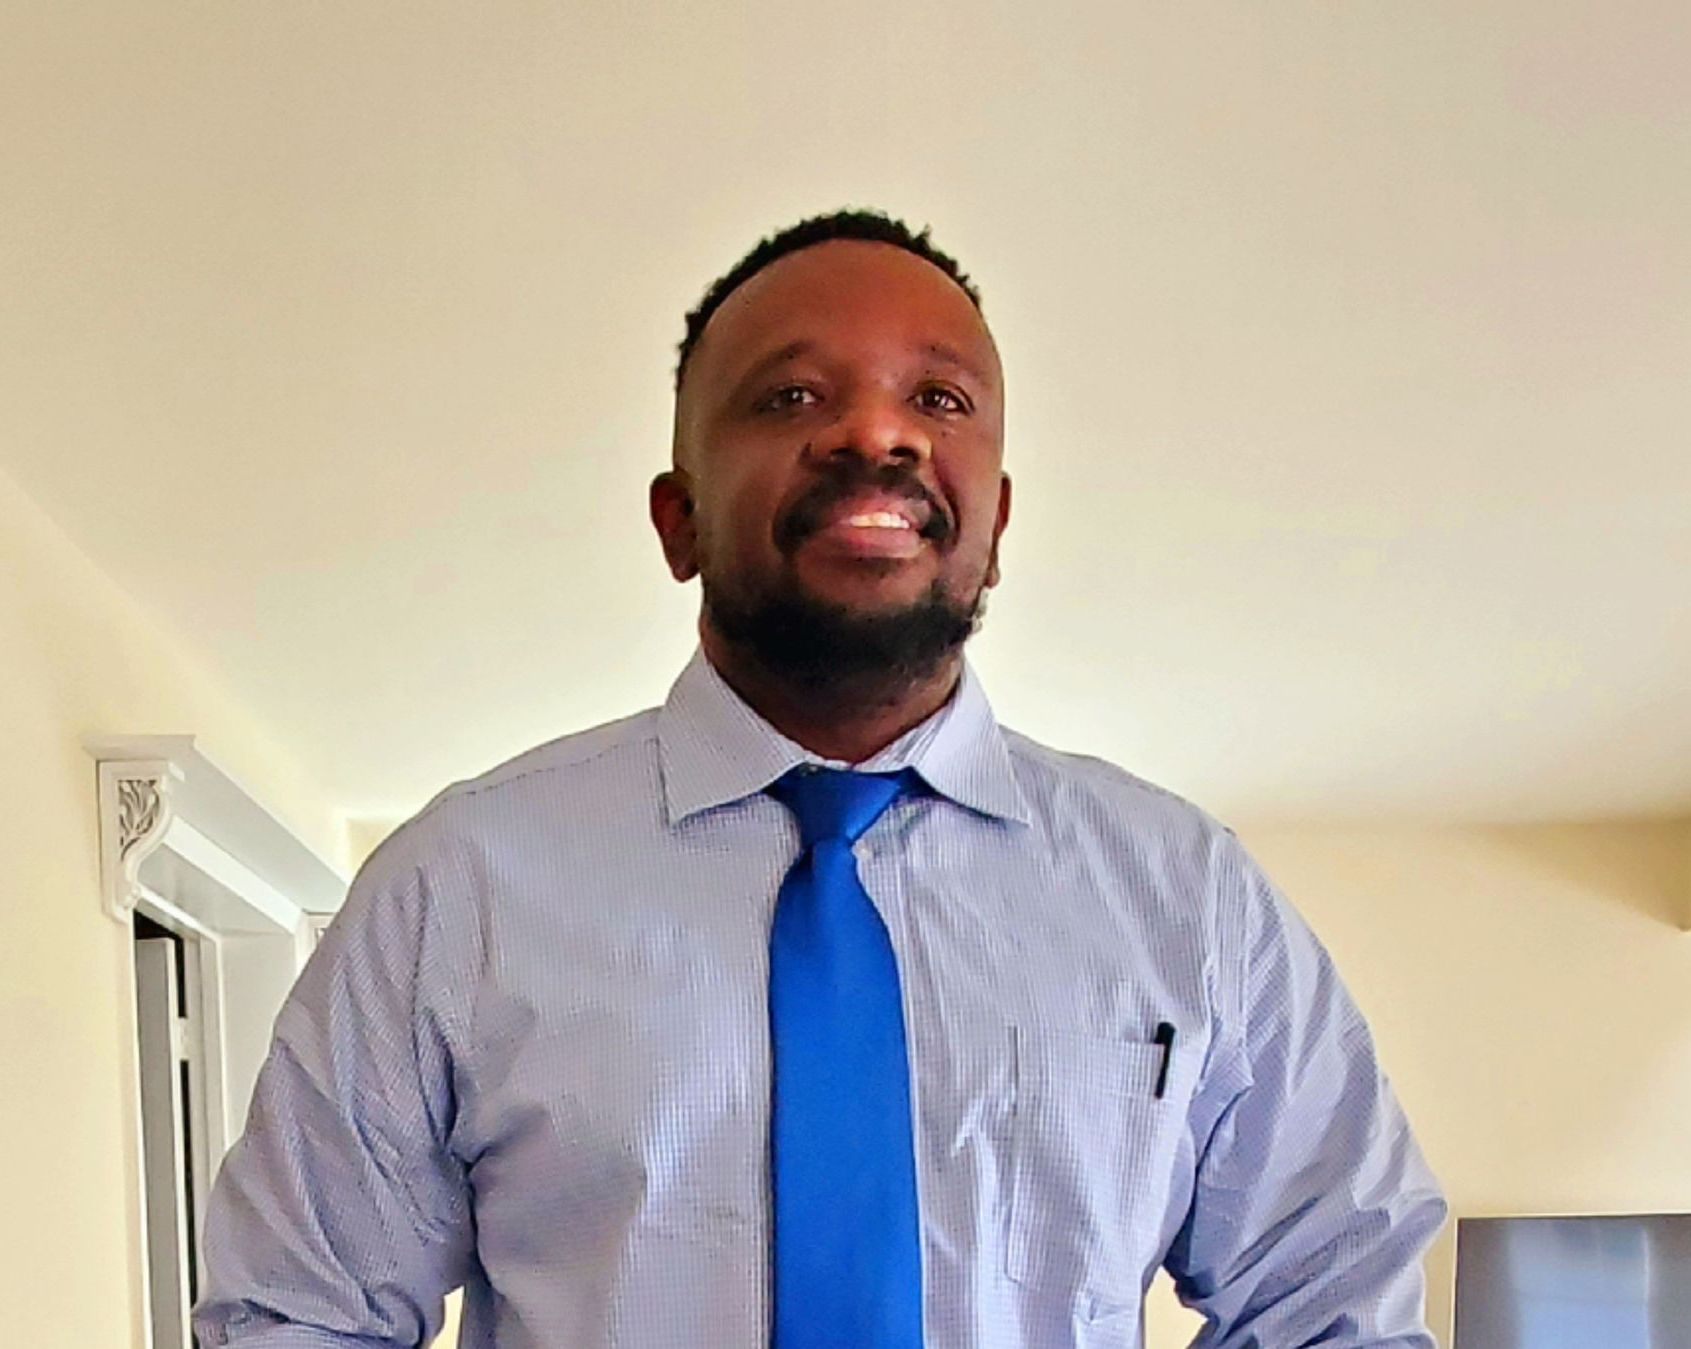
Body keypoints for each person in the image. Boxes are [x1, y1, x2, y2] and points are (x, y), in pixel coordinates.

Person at [193, 209, 1448, 1348]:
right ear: (677, 517)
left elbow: (1334, 1298)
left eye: (939, 399)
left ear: (995, 522)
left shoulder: (1191, 900)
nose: (873, 431)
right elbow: (293, 1318)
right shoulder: (457, 890)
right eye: (790, 395)